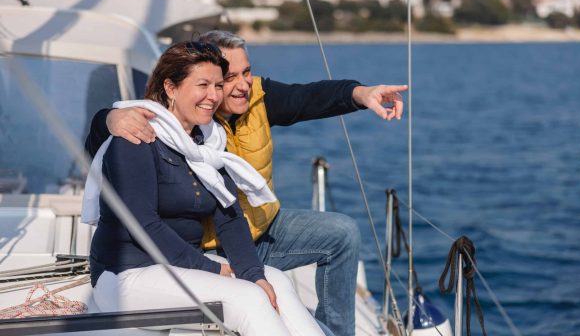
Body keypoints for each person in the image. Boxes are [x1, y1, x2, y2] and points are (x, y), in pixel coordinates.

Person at [86, 31, 408, 336]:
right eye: (206, 85)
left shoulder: (207, 142)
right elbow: (143, 225)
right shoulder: (137, 135)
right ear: (171, 88)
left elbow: (229, 214)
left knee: (276, 282)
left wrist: (253, 274)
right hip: (127, 272)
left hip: (183, 262)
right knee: (248, 298)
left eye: (217, 85)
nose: (215, 95)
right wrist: (217, 272)